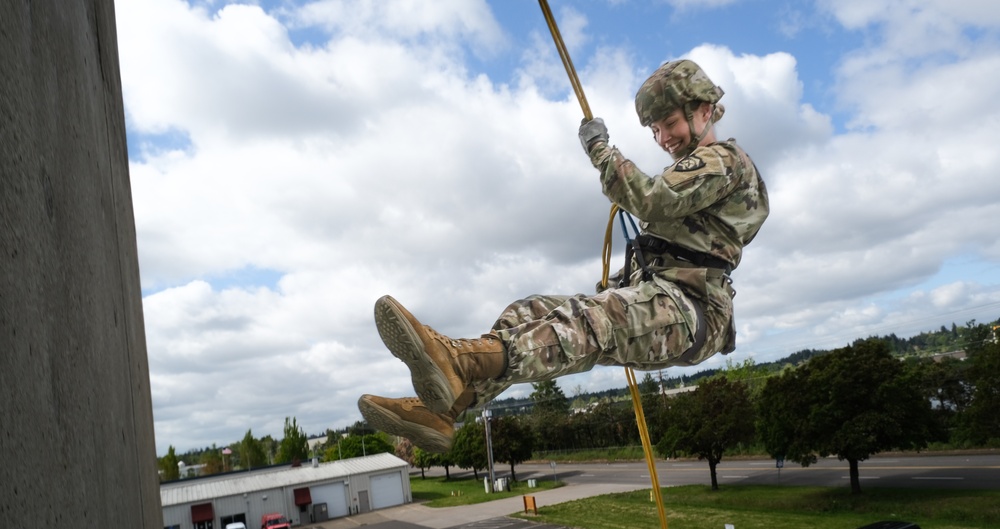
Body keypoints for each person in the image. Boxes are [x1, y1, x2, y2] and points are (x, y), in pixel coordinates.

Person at [358, 59, 769, 452]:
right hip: (663, 299)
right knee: (528, 311)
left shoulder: (725, 161)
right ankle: (446, 413)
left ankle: (458, 360)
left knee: (590, 322)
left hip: (693, 312)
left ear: (704, 110)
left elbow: (650, 199)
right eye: (656, 130)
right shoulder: (696, 169)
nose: (663, 139)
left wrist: (602, 151)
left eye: (671, 124)